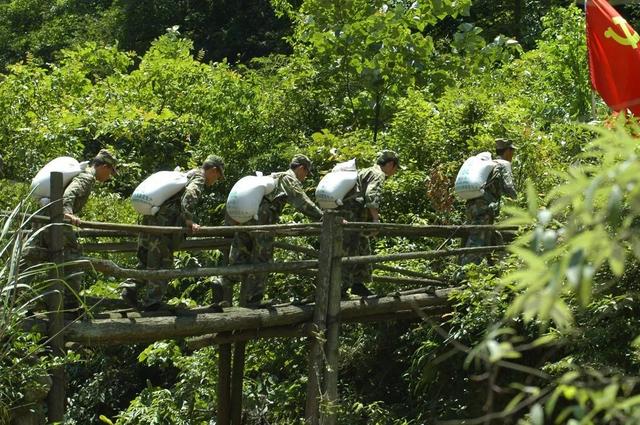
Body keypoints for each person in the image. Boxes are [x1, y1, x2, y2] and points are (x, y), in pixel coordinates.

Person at [120, 155, 225, 310]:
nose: (216, 180)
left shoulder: (187, 174)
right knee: (164, 262)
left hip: (151, 219)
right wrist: (189, 220)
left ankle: (129, 288)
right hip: (164, 226)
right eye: (218, 176)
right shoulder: (199, 178)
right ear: (214, 170)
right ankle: (153, 303)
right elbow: (188, 197)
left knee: (145, 259)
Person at [227, 154, 323, 307]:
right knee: (262, 259)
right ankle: (253, 300)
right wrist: (322, 217)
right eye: (306, 172)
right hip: (263, 221)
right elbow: (302, 201)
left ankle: (222, 284)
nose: (305, 177)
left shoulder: (274, 176)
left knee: (240, 254)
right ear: (301, 168)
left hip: (247, 216)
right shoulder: (288, 178)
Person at [61, 149, 118, 308]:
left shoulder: (84, 175)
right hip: (58, 222)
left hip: (44, 219)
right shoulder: (86, 177)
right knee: (75, 258)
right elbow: (69, 194)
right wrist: (68, 213)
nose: (109, 177)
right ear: (104, 167)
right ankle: (70, 305)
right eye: (110, 172)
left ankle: (14, 303)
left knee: (30, 259)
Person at [339, 150, 399, 297]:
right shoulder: (378, 174)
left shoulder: (365, 171)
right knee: (351, 251)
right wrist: (376, 220)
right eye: (396, 168)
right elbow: (371, 196)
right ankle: (340, 290)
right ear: (391, 164)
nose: (395, 171)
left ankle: (357, 284)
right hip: (351, 216)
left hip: (349, 214)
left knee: (362, 246)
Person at [460, 138, 517, 266]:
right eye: (512, 151)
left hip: (472, 206)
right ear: (508, 151)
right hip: (484, 209)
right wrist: (519, 202)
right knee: (476, 244)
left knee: (485, 238)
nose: (513, 155)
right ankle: (463, 274)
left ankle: (496, 270)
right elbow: (509, 189)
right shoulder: (503, 165)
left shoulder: (490, 164)